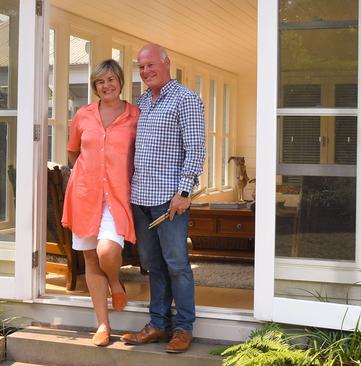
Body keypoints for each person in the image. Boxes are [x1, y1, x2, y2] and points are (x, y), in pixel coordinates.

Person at [121, 44, 205, 353]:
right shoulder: (142, 102)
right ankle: (157, 324)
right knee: (152, 265)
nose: (145, 71)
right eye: (141, 67)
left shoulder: (186, 99)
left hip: (170, 201)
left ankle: (183, 328)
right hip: (140, 198)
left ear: (166, 63)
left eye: (150, 65)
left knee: (177, 265)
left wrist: (184, 193)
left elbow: (196, 151)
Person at [61, 59, 139, 347]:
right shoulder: (83, 115)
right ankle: (103, 325)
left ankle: (116, 283)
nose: (106, 85)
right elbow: (73, 152)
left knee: (107, 251)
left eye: (111, 79)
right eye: (100, 82)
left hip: (118, 196)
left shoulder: (134, 115)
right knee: (90, 257)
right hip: (85, 195)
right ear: (95, 86)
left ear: (120, 81)